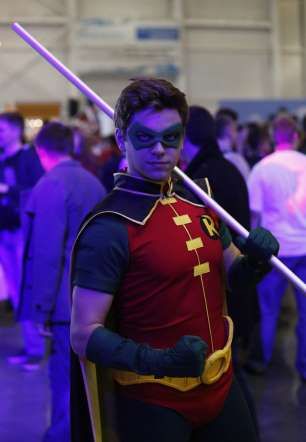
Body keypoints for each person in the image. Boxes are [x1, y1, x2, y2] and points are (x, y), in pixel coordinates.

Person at [70, 78, 279, 442]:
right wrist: (159, 361)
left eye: (170, 137)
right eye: (144, 138)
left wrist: (256, 262)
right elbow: (83, 334)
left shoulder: (200, 199)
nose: (160, 150)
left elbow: (232, 276)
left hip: (221, 382)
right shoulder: (110, 226)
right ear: (122, 139)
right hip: (154, 401)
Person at [17, 121, 105, 441]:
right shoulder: (92, 181)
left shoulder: (51, 184)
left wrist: (39, 308)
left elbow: (47, 254)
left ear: (41, 151)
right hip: (94, 298)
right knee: (86, 382)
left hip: (63, 305)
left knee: (63, 382)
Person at [247, 115, 306, 380]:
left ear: (273, 137)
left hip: (275, 251)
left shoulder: (261, 168)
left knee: (267, 308)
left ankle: (262, 361)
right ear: (297, 136)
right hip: (304, 247)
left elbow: (254, 215)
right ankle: (304, 366)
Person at [0, 112, 43, 311]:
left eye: (2, 130)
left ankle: (35, 337)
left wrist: (8, 190)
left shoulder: (29, 157)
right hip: (4, 228)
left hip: (22, 231)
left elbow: (37, 189)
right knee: (13, 284)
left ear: (16, 130)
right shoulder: (2, 159)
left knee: (27, 283)